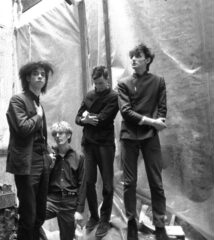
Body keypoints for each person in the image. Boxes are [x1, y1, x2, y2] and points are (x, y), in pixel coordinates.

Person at [117, 43, 169, 240]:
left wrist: (160, 121)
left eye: (138, 56)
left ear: (147, 60)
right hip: (129, 136)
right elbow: (126, 112)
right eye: (132, 56)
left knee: (156, 182)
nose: (133, 59)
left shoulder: (158, 81)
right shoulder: (123, 83)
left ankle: (160, 224)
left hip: (150, 137)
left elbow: (162, 108)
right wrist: (152, 122)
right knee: (129, 183)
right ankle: (131, 222)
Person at [6, 61, 54, 240]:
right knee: (28, 215)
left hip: (42, 162)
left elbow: (40, 136)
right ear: (27, 77)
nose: (40, 76)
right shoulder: (18, 100)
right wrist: (38, 115)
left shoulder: (38, 102)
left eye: (43, 74)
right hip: (27, 164)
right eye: (36, 74)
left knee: (40, 214)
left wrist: (49, 152)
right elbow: (23, 128)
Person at [75, 65, 119, 238]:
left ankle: (105, 220)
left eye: (101, 83)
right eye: (95, 83)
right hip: (89, 144)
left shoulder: (113, 97)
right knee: (88, 182)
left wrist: (88, 117)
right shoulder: (89, 95)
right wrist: (88, 119)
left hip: (105, 145)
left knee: (108, 185)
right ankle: (94, 216)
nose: (98, 86)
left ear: (107, 80)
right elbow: (78, 118)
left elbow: (102, 120)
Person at [41, 121, 85, 240]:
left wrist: (79, 210)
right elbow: (41, 177)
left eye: (61, 133)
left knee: (67, 237)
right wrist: (48, 163)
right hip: (51, 200)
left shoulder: (78, 157)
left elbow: (82, 184)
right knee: (32, 217)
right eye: (55, 133)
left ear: (69, 135)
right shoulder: (49, 154)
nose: (57, 136)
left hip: (70, 202)